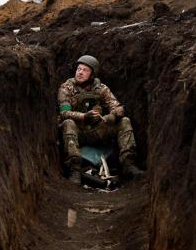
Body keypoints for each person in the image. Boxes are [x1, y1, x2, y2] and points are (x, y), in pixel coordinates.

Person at [58, 55, 144, 183]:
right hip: (78, 132)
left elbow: (119, 107)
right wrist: (84, 117)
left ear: (92, 74)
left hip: (97, 130)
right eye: (78, 69)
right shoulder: (66, 88)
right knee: (68, 123)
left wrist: (111, 116)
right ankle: (74, 169)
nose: (80, 72)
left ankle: (128, 164)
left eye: (85, 70)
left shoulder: (101, 88)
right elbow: (64, 112)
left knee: (124, 121)